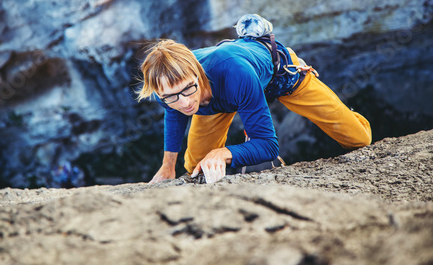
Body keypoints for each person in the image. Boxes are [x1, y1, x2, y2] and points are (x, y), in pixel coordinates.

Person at [136, 14, 372, 184]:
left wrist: (223, 153)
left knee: (359, 139)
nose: (185, 103)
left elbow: (268, 145)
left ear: (197, 73)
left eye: (188, 89)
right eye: (171, 97)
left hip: (281, 76)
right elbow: (174, 114)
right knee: (194, 167)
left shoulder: (234, 73)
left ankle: (348, 113)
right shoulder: (165, 87)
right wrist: (167, 167)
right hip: (222, 98)